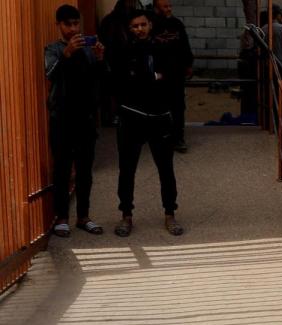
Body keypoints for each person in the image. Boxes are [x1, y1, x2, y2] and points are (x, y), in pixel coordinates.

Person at [112, 9, 183, 237]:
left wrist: (147, 78)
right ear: (129, 29)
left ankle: (170, 214)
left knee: (166, 169)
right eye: (135, 26)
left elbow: (173, 76)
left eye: (143, 24)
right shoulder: (123, 51)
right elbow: (122, 81)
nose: (139, 29)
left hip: (160, 117)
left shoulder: (163, 48)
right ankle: (126, 215)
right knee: (127, 169)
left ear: (150, 25)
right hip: (130, 117)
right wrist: (153, 77)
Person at [45, 4, 106, 238]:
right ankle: (61, 217)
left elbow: (101, 81)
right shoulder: (52, 49)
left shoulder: (88, 50)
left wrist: (100, 59)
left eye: (75, 24)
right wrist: (66, 53)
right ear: (58, 25)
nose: (73, 29)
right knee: (61, 169)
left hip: (85, 118)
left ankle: (84, 216)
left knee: (84, 171)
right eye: (67, 24)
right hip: (61, 118)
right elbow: (50, 74)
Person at [151, 0, 193, 153]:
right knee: (160, 105)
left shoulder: (177, 24)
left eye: (170, 6)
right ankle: (161, 137)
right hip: (159, 74)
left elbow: (185, 45)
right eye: (165, 6)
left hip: (176, 73)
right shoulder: (150, 25)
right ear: (156, 8)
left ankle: (178, 138)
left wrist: (188, 64)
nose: (169, 9)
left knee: (178, 106)